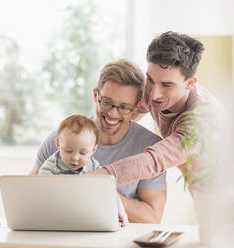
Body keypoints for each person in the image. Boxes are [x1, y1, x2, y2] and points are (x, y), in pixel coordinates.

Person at [30, 59, 167, 224]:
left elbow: (152, 217)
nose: (113, 114)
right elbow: (29, 198)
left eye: (123, 107)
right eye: (107, 102)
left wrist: (102, 190)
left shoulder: (151, 149)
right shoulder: (59, 141)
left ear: (137, 106)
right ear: (96, 94)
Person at [89, 31, 222, 193]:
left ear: (190, 83)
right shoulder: (151, 92)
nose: (153, 94)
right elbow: (124, 117)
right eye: (150, 80)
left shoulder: (201, 122)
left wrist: (90, 180)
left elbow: (154, 160)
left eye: (167, 85)